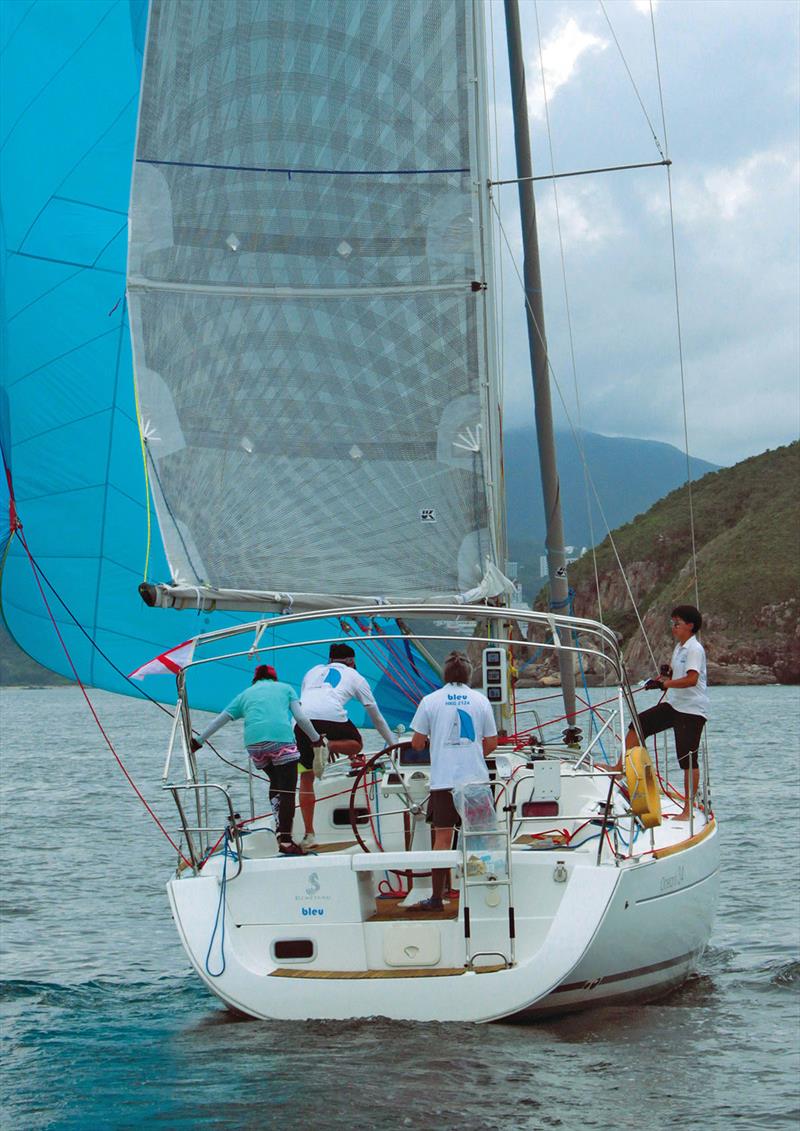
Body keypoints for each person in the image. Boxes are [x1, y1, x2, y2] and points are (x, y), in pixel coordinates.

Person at [190, 664, 322, 856]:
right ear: (274, 679)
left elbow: (220, 719)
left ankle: (280, 827)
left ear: (255, 680)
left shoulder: (245, 694)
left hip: (255, 746)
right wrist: (316, 739)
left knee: (276, 781)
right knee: (287, 789)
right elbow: (301, 718)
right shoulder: (285, 689)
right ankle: (285, 840)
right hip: (280, 741)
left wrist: (199, 741)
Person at [407, 650, 498, 912]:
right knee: (478, 837)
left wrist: (438, 747)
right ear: (469, 674)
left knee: (443, 839)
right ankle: (481, 893)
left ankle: (437, 897)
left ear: (444, 674)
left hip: (443, 782)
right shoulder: (480, 701)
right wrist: (471, 754)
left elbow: (416, 742)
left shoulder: (430, 701)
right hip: (475, 782)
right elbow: (491, 742)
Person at [294, 643, 396, 850]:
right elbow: (375, 717)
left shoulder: (312, 671)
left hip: (300, 721)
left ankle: (309, 834)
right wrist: (394, 745)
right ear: (351, 661)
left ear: (330, 660)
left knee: (306, 776)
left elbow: (313, 703)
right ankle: (327, 745)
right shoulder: (355, 676)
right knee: (356, 744)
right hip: (330, 718)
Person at [626, 605, 709, 820]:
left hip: (691, 710)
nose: (674, 627)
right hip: (673, 705)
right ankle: (620, 768)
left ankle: (688, 810)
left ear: (690, 626)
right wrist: (661, 680)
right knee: (637, 724)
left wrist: (667, 684)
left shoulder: (694, 649)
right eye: (673, 623)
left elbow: (692, 679)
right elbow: (674, 675)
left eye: (677, 624)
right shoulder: (680, 648)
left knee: (687, 760)